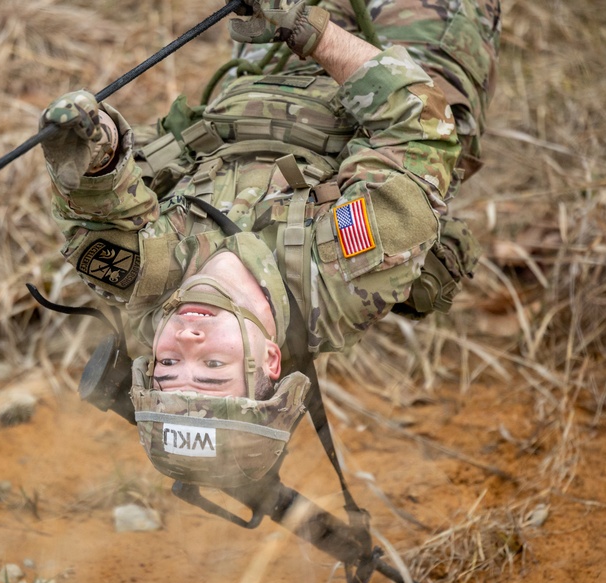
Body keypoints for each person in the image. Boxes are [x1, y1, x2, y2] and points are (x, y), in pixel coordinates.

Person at [37, 0, 500, 488]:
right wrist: (308, 29)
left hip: (266, 64)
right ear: (271, 361)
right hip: (404, 62)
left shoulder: (141, 278)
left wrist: (94, 150)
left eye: (168, 366)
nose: (186, 341)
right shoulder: (342, 273)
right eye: (213, 367)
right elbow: (417, 123)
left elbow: (95, 201)